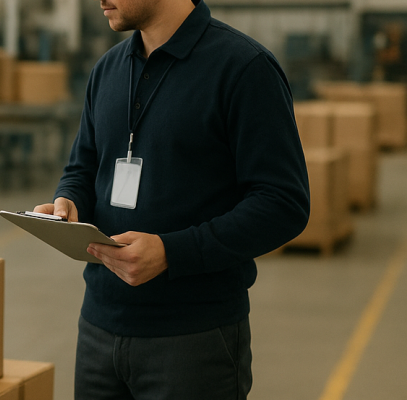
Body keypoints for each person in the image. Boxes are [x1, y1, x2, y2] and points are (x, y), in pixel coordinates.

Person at [32, 0, 310, 398]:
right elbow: (83, 167)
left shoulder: (244, 68)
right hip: (98, 327)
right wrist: (68, 201)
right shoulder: (108, 70)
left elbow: (284, 203)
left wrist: (172, 252)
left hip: (193, 339)